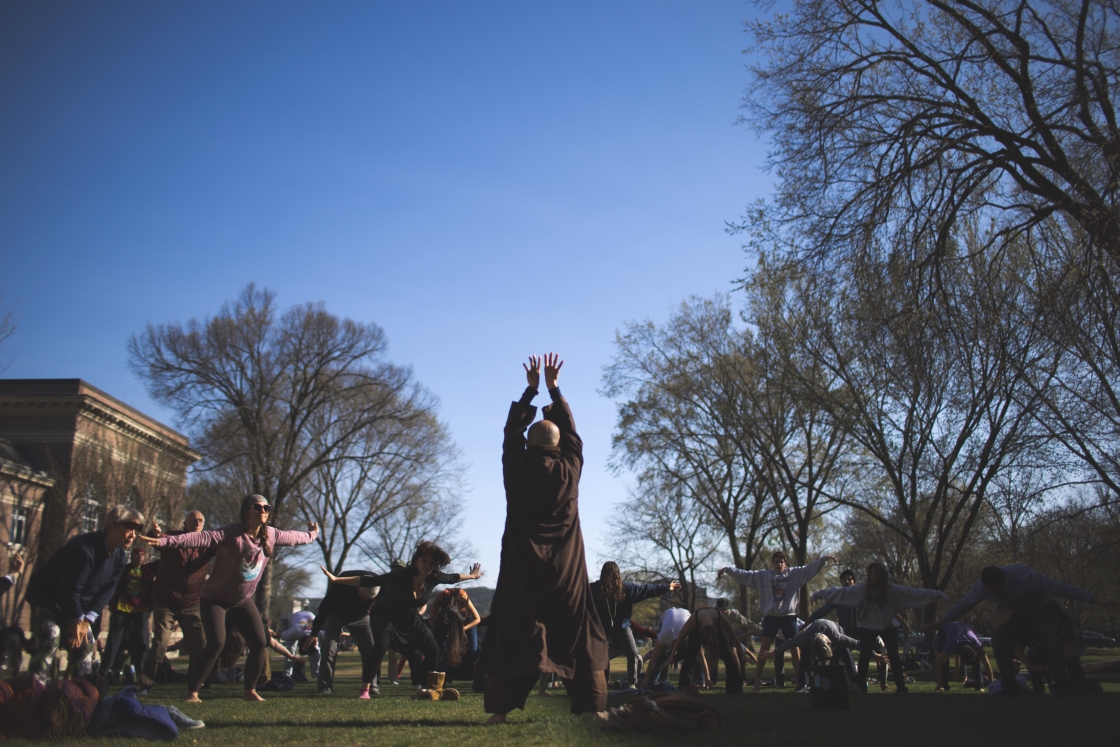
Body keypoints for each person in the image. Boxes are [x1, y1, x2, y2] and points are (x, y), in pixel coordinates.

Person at [477, 354, 610, 725]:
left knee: (517, 632)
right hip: (566, 574)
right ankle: (595, 707)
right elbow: (573, 436)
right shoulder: (570, 470)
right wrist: (554, 389)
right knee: (577, 634)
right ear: (558, 444)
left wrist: (530, 390)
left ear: (529, 445)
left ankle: (499, 713)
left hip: (523, 572)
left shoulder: (516, 469)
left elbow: (509, 436)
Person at [139, 494, 317, 703]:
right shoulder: (231, 533)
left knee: (260, 642)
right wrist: (165, 541)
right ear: (246, 511)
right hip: (215, 598)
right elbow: (198, 538)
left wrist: (313, 533)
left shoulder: (271, 534)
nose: (263, 511)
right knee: (216, 643)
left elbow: (298, 538)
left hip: (241, 600)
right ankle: (192, 692)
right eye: (257, 507)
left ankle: (249, 690)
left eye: (266, 508)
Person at [319, 541, 483, 700]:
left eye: (430, 562)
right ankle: (365, 689)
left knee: (433, 649)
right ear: (416, 562)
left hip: (409, 617)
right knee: (381, 646)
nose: (427, 565)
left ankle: (428, 689)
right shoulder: (403, 575)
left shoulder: (433, 577)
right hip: (385, 616)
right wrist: (336, 580)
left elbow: (454, 577)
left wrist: (472, 576)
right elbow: (371, 581)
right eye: (423, 561)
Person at [927, 564, 1118, 696]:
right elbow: (964, 604)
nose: (994, 595)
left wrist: (1096, 599)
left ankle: (1062, 686)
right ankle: (1010, 687)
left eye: (997, 592)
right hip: (1011, 613)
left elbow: (1063, 588)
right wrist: (941, 621)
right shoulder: (981, 588)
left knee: (1049, 638)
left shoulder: (1027, 578)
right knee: (999, 640)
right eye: (991, 593)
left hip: (1037, 609)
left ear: (1003, 582)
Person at [25, 504, 144, 682]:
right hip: (47, 599)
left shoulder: (120, 556)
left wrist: (86, 621)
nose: (133, 534)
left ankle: (80, 694)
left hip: (75, 606)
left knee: (87, 641)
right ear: (111, 526)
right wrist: (77, 619)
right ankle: (33, 689)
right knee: (52, 636)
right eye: (129, 527)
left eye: (137, 529)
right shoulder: (84, 549)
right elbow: (70, 589)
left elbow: (107, 591)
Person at [812, 563, 947, 693]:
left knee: (893, 656)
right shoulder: (862, 589)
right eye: (871, 573)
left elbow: (913, 593)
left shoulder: (892, 589)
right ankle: (861, 687)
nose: (873, 576)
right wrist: (820, 594)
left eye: (876, 573)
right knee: (864, 656)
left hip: (888, 627)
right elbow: (841, 593)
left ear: (882, 574)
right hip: (866, 627)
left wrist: (935, 594)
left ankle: (900, 687)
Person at [717, 551, 836, 692]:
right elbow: (746, 575)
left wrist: (822, 560)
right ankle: (756, 683)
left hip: (789, 617)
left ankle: (799, 683)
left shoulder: (793, 574)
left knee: (794, 649)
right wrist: (728, 570)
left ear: (785, 563)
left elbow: (808, 569)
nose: (779, 564)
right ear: (772, 563)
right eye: (776, 562)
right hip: (771, 618)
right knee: (764, 648)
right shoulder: (764, 576)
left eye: (782, 562)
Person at [140, 510, 214, 694]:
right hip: (166, 601)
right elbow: (160, 541)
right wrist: (155, 534)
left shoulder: (208, 543)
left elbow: (230, 546)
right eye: (193, 520)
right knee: (160, 642)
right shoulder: (174, 537)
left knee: (200, 645)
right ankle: (146, 683)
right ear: (185, 523)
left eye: (201, 520)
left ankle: (195, 684)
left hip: (191, 603)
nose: (197, 522)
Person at [589, 562, 680, 687]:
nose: (609, 576)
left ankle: (632, 682)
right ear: (603, 574)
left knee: (632, 652)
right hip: (602, 626)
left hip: (622, 626)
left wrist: (666, 587)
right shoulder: (595, 589)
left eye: (611, 573)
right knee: (601, 653)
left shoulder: (627, 588)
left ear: (616, 574)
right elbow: (578, 591)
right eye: (607, 573)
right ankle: (604, 682)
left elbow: (647, 589)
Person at [309, 569, 380, 695]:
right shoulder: (342, 586)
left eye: (368, 600)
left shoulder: (381, 584)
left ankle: (371, 685)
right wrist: (314, 632)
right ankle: (324, 686)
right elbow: (324, 609)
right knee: (329, 649)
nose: (364, 601)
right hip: (336, 615)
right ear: (358, 588)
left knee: (370, 650)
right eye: (363, 597)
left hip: (361, 618)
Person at [100, 545, 155, 681]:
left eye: (142, 555)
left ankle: (141, 674)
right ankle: (103, 673)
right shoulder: (124, 570)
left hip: (140, 611)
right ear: (132, 556)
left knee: (141, 643)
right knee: (113, 642)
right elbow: (113, 582)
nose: (139, 557)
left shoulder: (146, 571)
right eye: (136, 555)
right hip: (121, 610)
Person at [665, 603, 743, 693]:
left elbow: (733, 637)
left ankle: (734, 688)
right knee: (689, 658)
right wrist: (671, 657)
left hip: (715, 624)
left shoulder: (720, 618)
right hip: (698, 625)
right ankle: (684, 687)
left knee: (728, 656)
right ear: (700, 629)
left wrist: (742, 655)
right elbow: (680, 638)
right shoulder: (693, 621)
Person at [759, 618, 860, 687]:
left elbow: (857, 644)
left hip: (835, 629)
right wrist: (775, 652)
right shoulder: (807, 636)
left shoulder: (837, 637)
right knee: (804, 656)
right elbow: (790, 643)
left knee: (846, 652)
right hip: (815, 635)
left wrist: (874, 653)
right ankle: (802, 685)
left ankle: (855, 683)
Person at [428, 588, 482, 681]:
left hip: (467, 620)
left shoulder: (463, 596)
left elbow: (477, 619)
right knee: (442, 650)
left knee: (473, 651)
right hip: (447, 620)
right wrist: (441, 630)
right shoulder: (440, 598)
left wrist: (461, 630)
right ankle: (439, 682)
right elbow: (432, 620)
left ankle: (480, 684)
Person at [932, 621, 992, 691]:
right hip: (945, 630)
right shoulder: (951, 644)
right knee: (944, 661)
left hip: (961, 630)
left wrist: (991, 684)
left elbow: (987, 664)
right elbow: (939, 663)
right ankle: (943, 685)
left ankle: (979, 685)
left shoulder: (976, 644)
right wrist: (939, 684)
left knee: (977, 660)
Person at [639, 606, 691, 688]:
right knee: (660, 655)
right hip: (668, 616)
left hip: (685, 616)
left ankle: (663, 678)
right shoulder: (664, 636)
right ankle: (653, 679)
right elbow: (653, 659)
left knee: (693, 656)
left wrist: (707, 678)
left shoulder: (689, 636)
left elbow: (701, 658)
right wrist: (646, 678)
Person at [280, 605, 319, 681]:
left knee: (316, 649)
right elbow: (277, 635)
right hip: (295, 618)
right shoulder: (294, 632)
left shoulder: (317, 632)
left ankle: (316, 673)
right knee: (290, 649)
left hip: (309, 618)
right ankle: (287, 675)